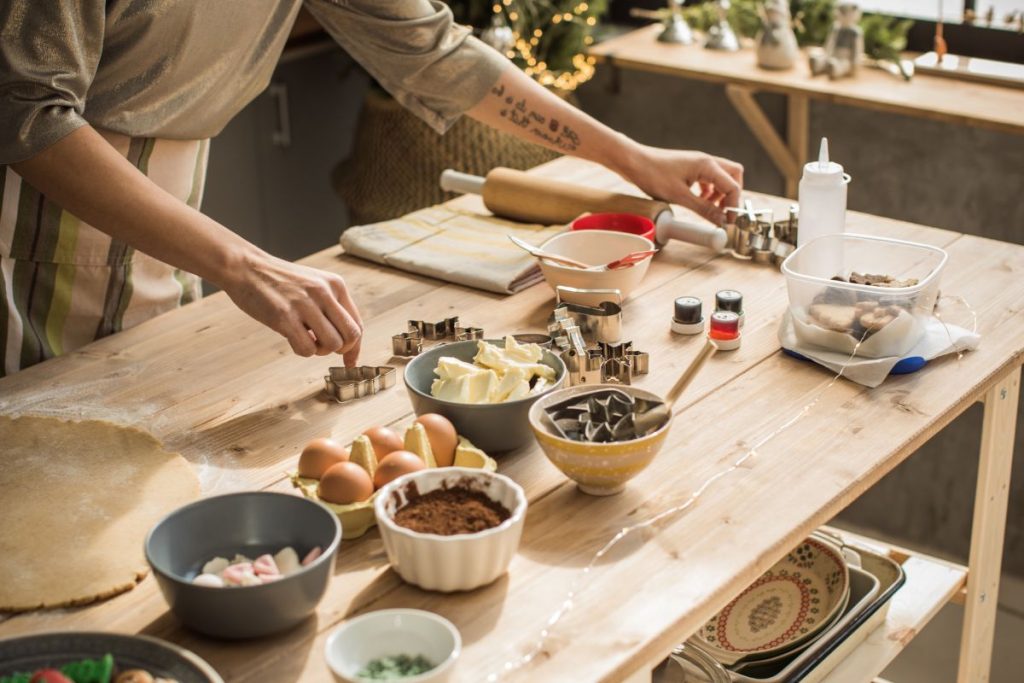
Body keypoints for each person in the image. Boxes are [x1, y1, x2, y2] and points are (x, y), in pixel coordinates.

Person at [0, 0, 744, 378]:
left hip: (162, 230)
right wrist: (243, 263)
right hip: (23, 232)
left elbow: (435, 51)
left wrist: (636, 160)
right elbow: (28, 113)